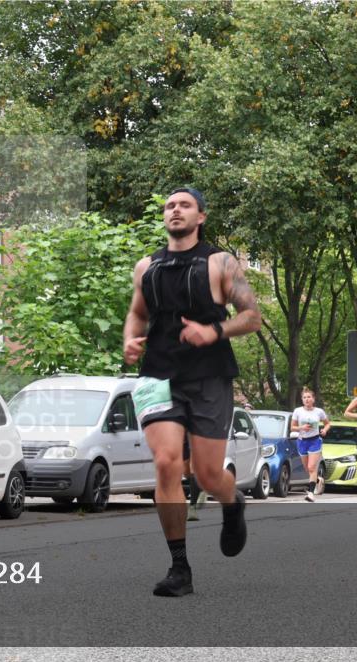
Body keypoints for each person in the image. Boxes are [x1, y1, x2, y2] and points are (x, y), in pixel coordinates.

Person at [123, 187, 261, 597]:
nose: (175, 210)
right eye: (169, 206)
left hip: (208, 375)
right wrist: (131, 340)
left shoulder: (220, 262)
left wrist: (213, 330)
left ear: (201, 216)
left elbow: (252, 316)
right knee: (166, 463)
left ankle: (231, 501)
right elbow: (136, 313)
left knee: (205, 475)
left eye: (184, 205)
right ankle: (179, 567)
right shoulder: (146, 266)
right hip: (157, 376)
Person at [291, 388, 330, 502]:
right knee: (307, 469)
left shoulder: (319, 411)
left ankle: (311, 493)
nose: (307, 399)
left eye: (309, 397)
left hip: (315, 441)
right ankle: (318, 480)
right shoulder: (297, 411)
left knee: (311, 467)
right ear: (302, 400)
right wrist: (301, 428)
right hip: (302, 441)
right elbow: (292, 427)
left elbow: (327, 424)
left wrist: (325, 430)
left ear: (313, 399)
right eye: (304, 397)